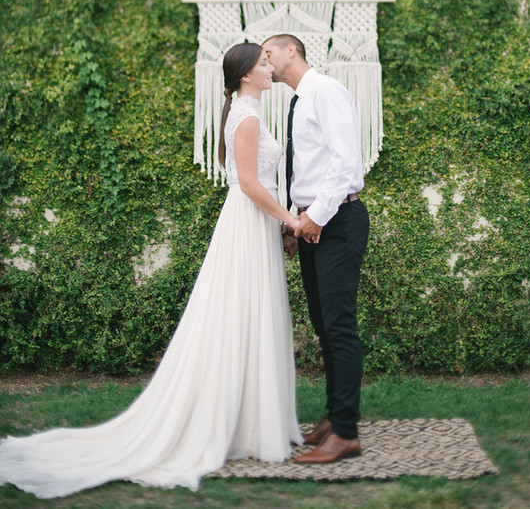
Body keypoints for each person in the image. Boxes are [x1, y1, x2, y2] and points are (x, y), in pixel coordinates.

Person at [0, 43, 303, 499]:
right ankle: (241, 424)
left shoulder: (245, 111)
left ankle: (248, 422)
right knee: (239, 313)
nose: (269, 67)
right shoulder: (250, 115)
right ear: (245, 75)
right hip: (249, 222)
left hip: (251, 224)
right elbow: (248, 184)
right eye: (262, 63)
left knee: (245, 316)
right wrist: (290, 219)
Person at [263, 34, 370, 465]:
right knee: (324, 326)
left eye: (268, 52)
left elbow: (346, 162)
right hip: (312, 224)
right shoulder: (298, 101)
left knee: (340, 327)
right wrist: (295, 220)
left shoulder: (324, 90)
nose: (264, 60)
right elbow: (308, 168)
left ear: (292, 51)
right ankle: (333, 415)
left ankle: (345, 433)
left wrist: (315, 217)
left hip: (337, 221)